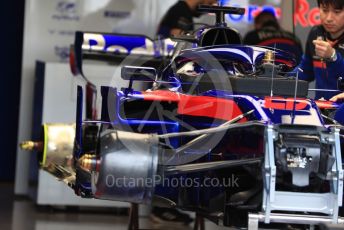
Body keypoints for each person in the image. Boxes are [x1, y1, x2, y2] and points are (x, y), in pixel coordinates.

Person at [295, 0, 344, 100]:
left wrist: (333, 57)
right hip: (320, 107)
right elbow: (305, 72)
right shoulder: (316, 33)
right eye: (325, 10)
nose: (329, 18)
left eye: (337, 12)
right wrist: (280, 77)